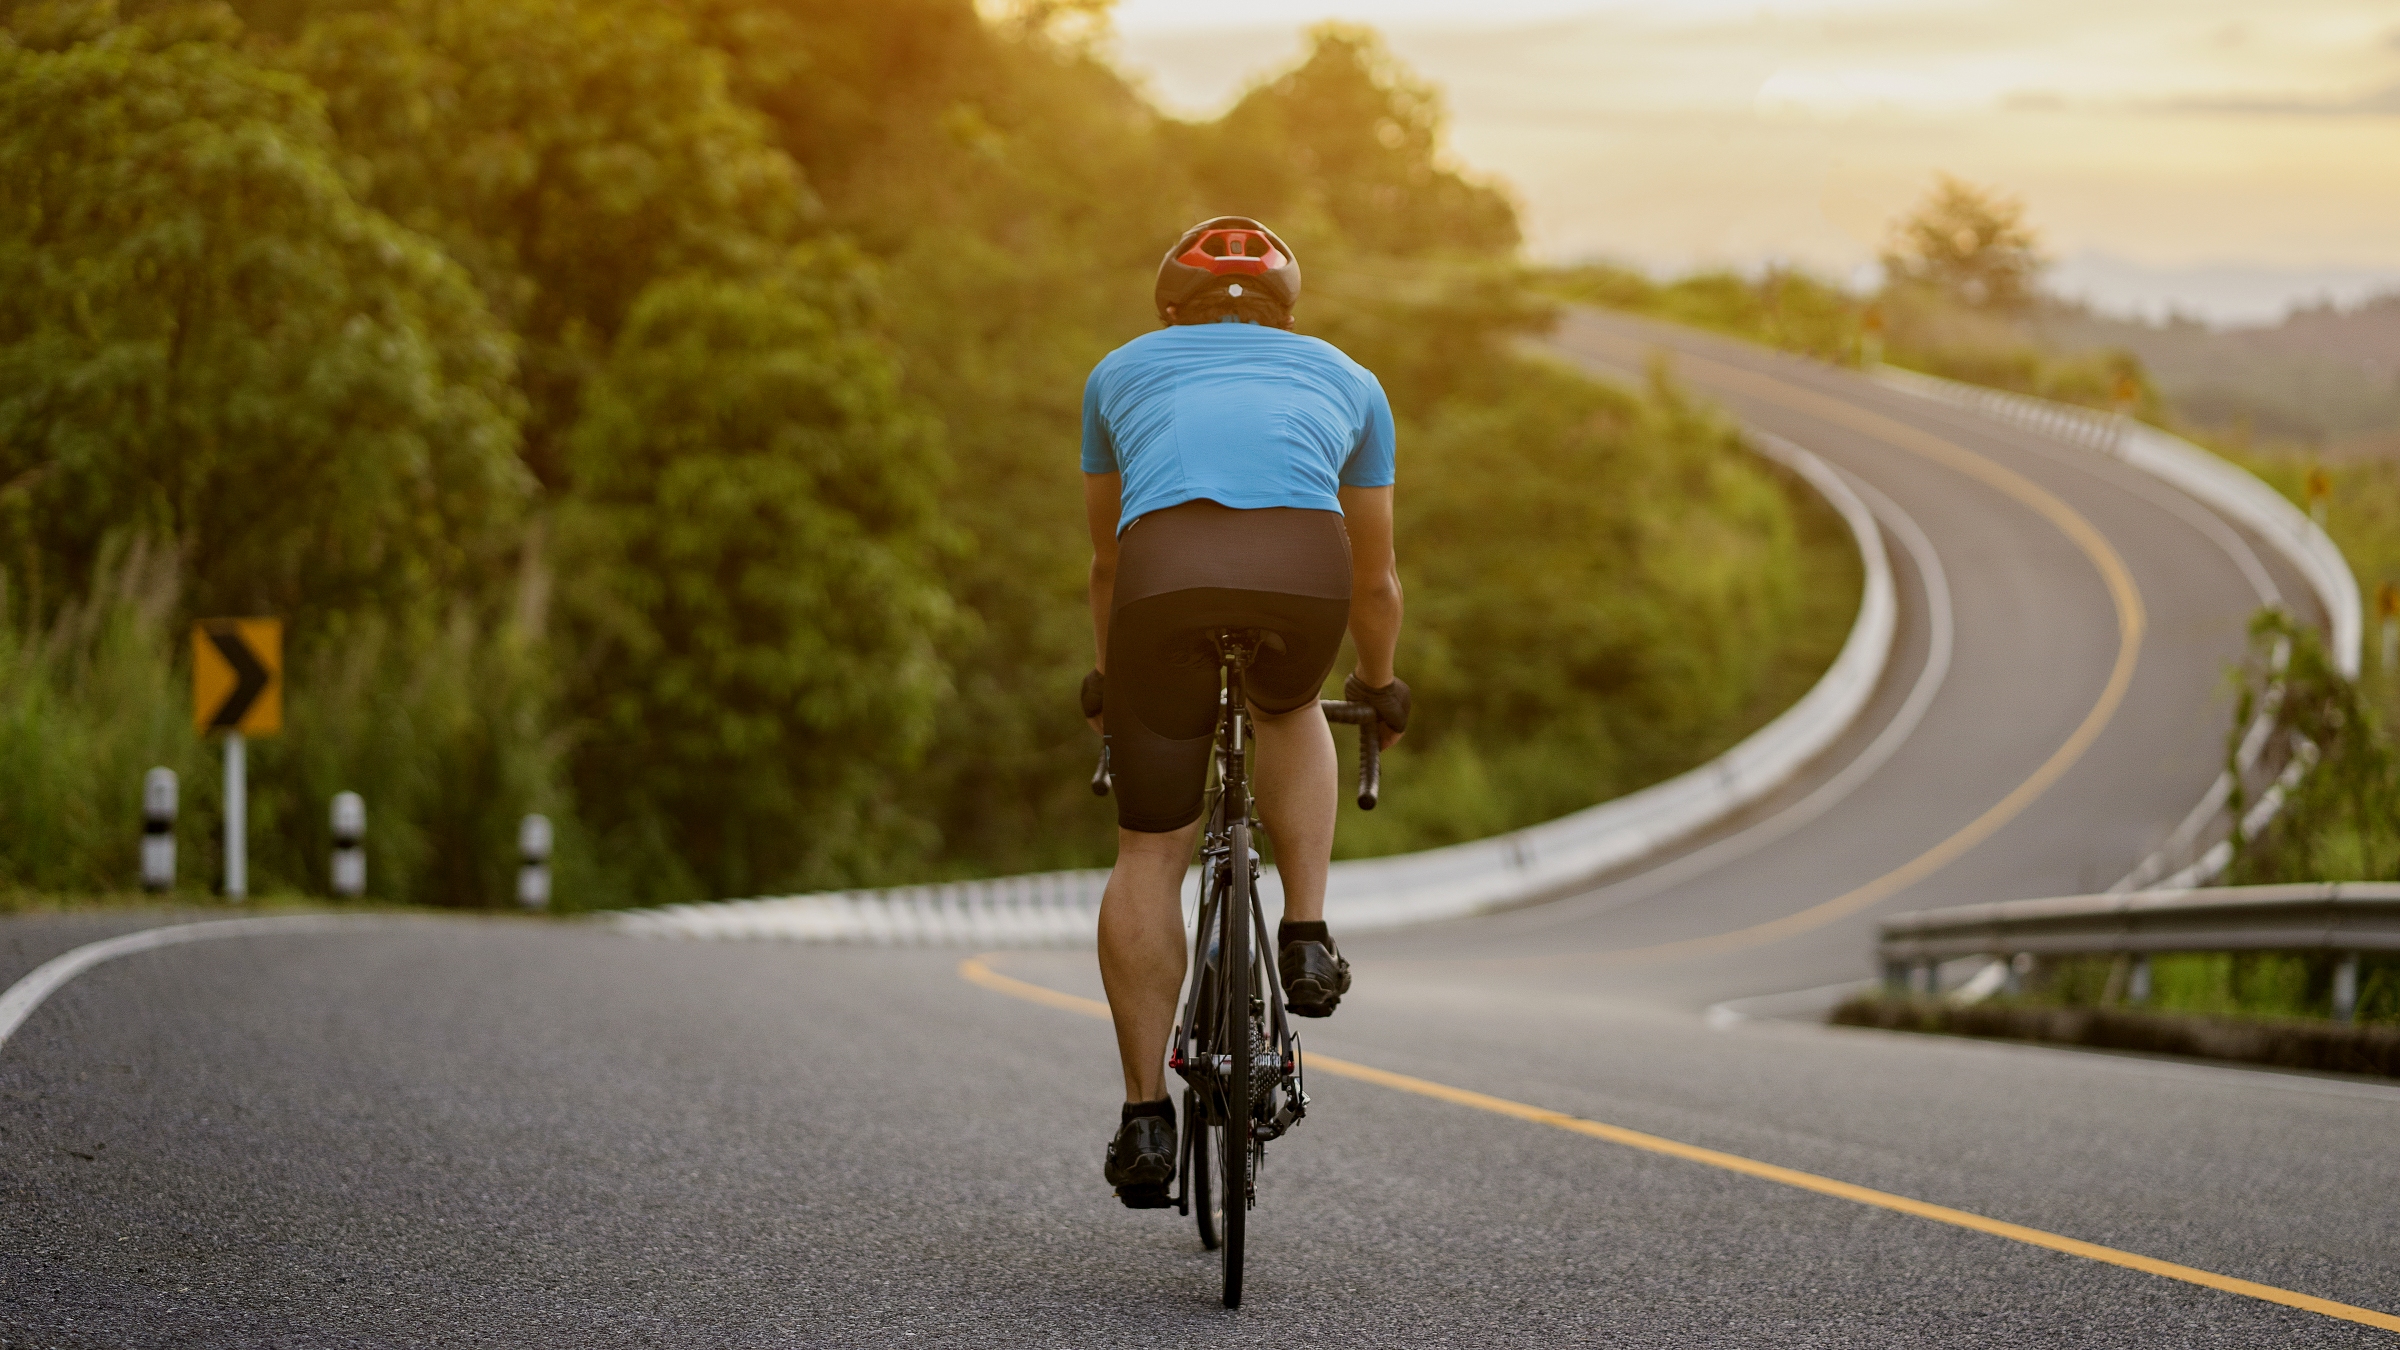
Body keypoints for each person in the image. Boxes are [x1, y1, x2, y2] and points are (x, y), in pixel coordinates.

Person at [1079, 216, 1410, 1208]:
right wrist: (1379, 683)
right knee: (1292, 700)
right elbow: (1378, 576)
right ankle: (1305, 930)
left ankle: (1145, 1119)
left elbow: (1105, 559)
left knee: (1148, 855)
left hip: (1162, 582)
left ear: (1168, 308)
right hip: (1303, 578)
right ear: (1287, 311)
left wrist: (1113, 682)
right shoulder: (1350, 379)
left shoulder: (1117, 372)